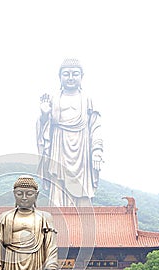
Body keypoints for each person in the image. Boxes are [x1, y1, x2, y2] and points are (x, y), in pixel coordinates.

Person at [37, 58, 103, 207]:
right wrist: (44, 115)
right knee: (58, 191)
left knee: (83, 191)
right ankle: (60, 224)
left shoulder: (88, 100)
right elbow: (44, 129)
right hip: (59, 147)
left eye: (75, 74)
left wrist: (97, 151)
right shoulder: (53, 99)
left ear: (82, 76)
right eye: (66, 74)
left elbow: (96, 127)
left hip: (82, 150)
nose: (71, 78)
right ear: (60, 77)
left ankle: (84, 224)